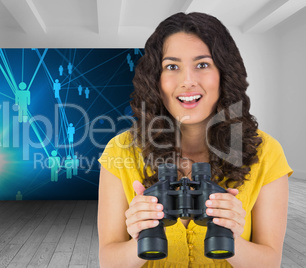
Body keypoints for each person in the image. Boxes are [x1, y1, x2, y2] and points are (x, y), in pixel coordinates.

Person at [97, 12, 292, 267]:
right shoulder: (121, 151)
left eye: (202, 64)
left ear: (224, 72)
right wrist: (139, 239)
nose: (187, 81)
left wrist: (232, 238)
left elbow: (271, 262)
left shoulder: (266, 153)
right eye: (172, 67)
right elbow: (107, 261)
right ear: (156, 79)